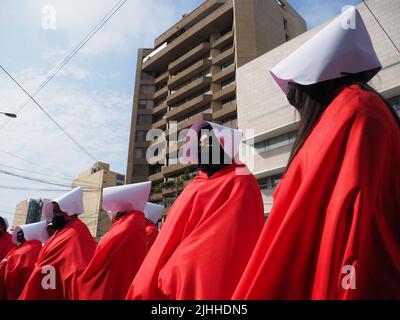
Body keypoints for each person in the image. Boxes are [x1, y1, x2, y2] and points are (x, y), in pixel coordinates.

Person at [232, 7, 400, 300]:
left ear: (315, 88)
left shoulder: (352, 112)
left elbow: (351, 225)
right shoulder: (356, 110)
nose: (299, 112)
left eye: (299, 99)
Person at [126, 121, 264, 300]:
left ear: (221, 145)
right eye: (198, 143)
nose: (202, 147)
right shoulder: (193, 187)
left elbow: (219, 243)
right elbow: (167, 240)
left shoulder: (241, 181)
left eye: (207, 142)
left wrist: (177, 270)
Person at [77, 182, 151, 300]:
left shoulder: (128, 226)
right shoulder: (131, 223)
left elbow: (104, 258)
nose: (110, 212)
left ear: (121, 207)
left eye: (113, 208)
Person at [19, 187, 96, 300]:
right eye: (54, 212)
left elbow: (76, 266)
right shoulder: (63, 231)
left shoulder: (75, 231)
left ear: (68, 212)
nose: (54, 216)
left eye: (57, 212)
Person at [0, 222, 47, 300]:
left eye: (22, 232)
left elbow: (14, 269)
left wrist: (4, 265)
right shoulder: (32, 247)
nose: (19, 235)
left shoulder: (27, 249)